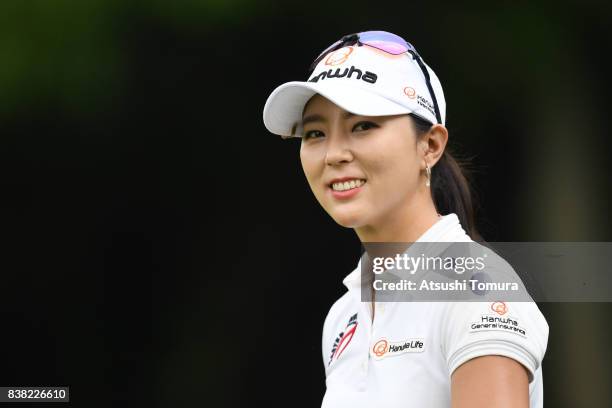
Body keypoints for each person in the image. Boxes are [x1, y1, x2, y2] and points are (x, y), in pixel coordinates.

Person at [262, 31, 549, 408]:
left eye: (363, 125)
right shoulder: (344, 315)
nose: (333, 154)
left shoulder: (478, 290)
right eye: (315, 133)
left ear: (430, 145)